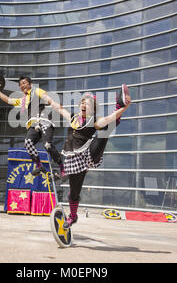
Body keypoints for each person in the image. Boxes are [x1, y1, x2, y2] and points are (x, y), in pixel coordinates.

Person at [48, 84, 131, 229]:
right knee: (74, 192)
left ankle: (119, 102)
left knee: (105, 129)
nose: (84, 105)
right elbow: (59, 109)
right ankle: (73, 216)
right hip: (73, 160)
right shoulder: (73, 118)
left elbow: (108, 119)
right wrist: (47, 99)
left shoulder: (94, 121)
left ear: (93, 108)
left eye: (87, 104)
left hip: (89, 154)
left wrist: (123, 108)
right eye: (82, 103)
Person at [0, 76, 65, 178]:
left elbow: (46, 98)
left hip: (44, 122)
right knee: (28, 143)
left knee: (47, 144)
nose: (22, 85)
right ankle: (39, 165)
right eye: (20, 84)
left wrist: (52, 103)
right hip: (33, 126)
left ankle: (61, 166)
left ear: (30, 84)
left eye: (24, 83)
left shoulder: (36, 91)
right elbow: (8, 100)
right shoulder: (22, 101)